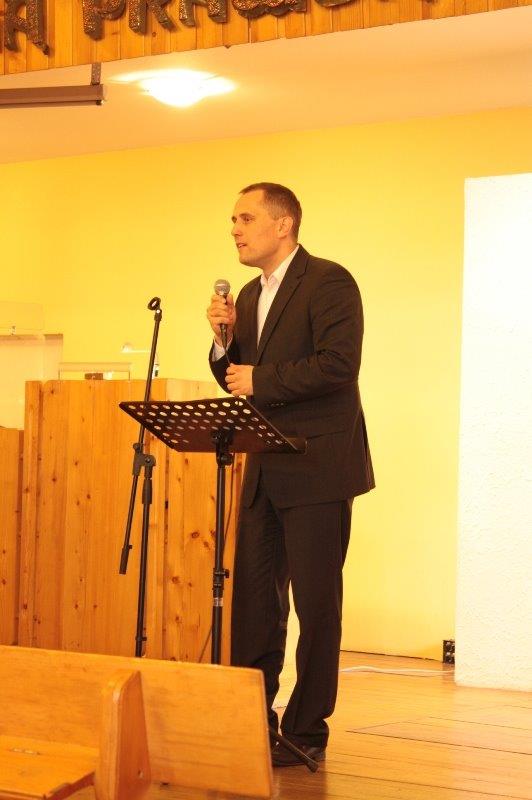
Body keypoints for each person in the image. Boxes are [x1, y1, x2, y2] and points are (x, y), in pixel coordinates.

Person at [207, 182, 374, 767]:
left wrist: (261, 378)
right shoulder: (250, 294)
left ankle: (307, 729)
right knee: (256, 603)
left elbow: (338, 364)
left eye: (245, 218)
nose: (235, 229)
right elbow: (238, 379)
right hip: (264, 468)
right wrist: (223, 341)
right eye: (233, 220)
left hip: (319, 467)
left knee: (316, 605)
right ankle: (253, 719)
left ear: (283, 225)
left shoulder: (329, 281)